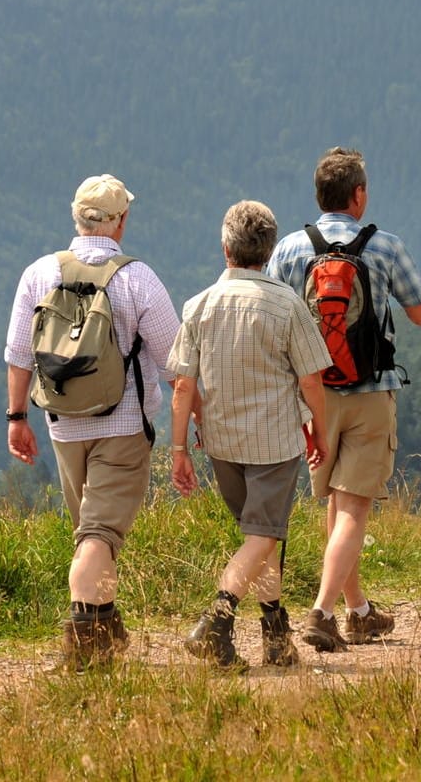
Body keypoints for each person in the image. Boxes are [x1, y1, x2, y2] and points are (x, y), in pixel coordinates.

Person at [266, 148, 421, 652]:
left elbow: (279, 319)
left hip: (315, 395)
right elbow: (417, 315)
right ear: (359, 194)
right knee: (353, 509)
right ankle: (322, 613)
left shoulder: (288, 251)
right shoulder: (385, 247)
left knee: (334, 503)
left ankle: (358, 612)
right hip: (370, 393)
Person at [4, 174, 179, 669]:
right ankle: (81, 644)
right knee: (98, 535)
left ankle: (105, 628)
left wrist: (17, 417)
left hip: (62, 425)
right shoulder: (136, 278)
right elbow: (174, 359)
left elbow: (19, 355)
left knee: (91, 530)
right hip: (122, 427)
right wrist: (196, 416)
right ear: (120, 221)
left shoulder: (39, 273)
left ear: (77, 217)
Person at [167, 200, 331, 668]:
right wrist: (317, 430)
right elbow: (311, 380)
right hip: (275, 442)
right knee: (262, 536)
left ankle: (277, 640)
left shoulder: (198, 305)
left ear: (226, 249)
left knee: (263, 536)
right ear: (270, 250)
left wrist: (179, 449)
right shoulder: (287, 304)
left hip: (221, 443)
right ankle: (215, 622)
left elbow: (183, 385)